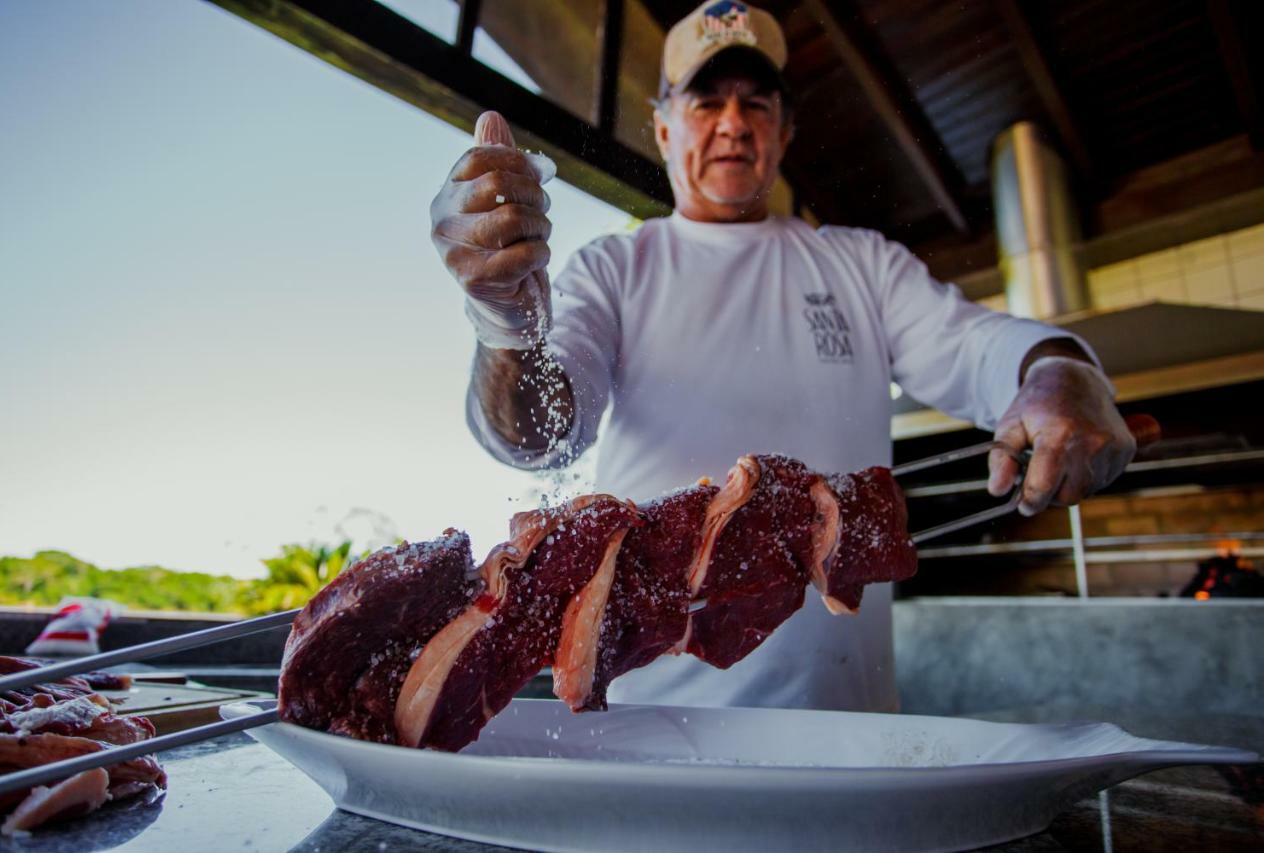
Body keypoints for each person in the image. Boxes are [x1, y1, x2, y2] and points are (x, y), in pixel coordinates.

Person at [428, 0, 1136, 712]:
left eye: (755, 104)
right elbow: (539, 437)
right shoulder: (615, 268)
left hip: (845, 734)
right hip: (649, 736)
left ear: (784, 130)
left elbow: (973, 345)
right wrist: (506, 322)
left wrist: (1056, 370)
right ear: (665, 126)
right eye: (706, 101)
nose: (732, 122)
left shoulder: (860, 264)